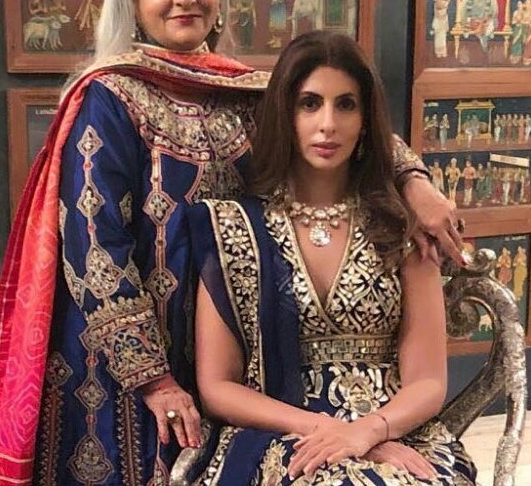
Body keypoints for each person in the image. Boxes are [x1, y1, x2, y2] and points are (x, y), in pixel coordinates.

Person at [0, 0, 461, 484]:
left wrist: (415, 181)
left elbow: (347, 124)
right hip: (132, 368)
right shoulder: (111, 96)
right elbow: (95, 245)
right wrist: (155, 379)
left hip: (239, 354)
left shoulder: (243, 93)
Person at [186, 31, 476, 485]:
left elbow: (428, 381)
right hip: (282, 430)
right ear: (285, 113)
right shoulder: (233, 228)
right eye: (309, 104)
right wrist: (331, 431)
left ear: (365, 119)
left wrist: (369, 431)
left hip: (396, 427)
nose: (328, 124)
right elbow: (218, 387)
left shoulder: (403, 228)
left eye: (346, 105)